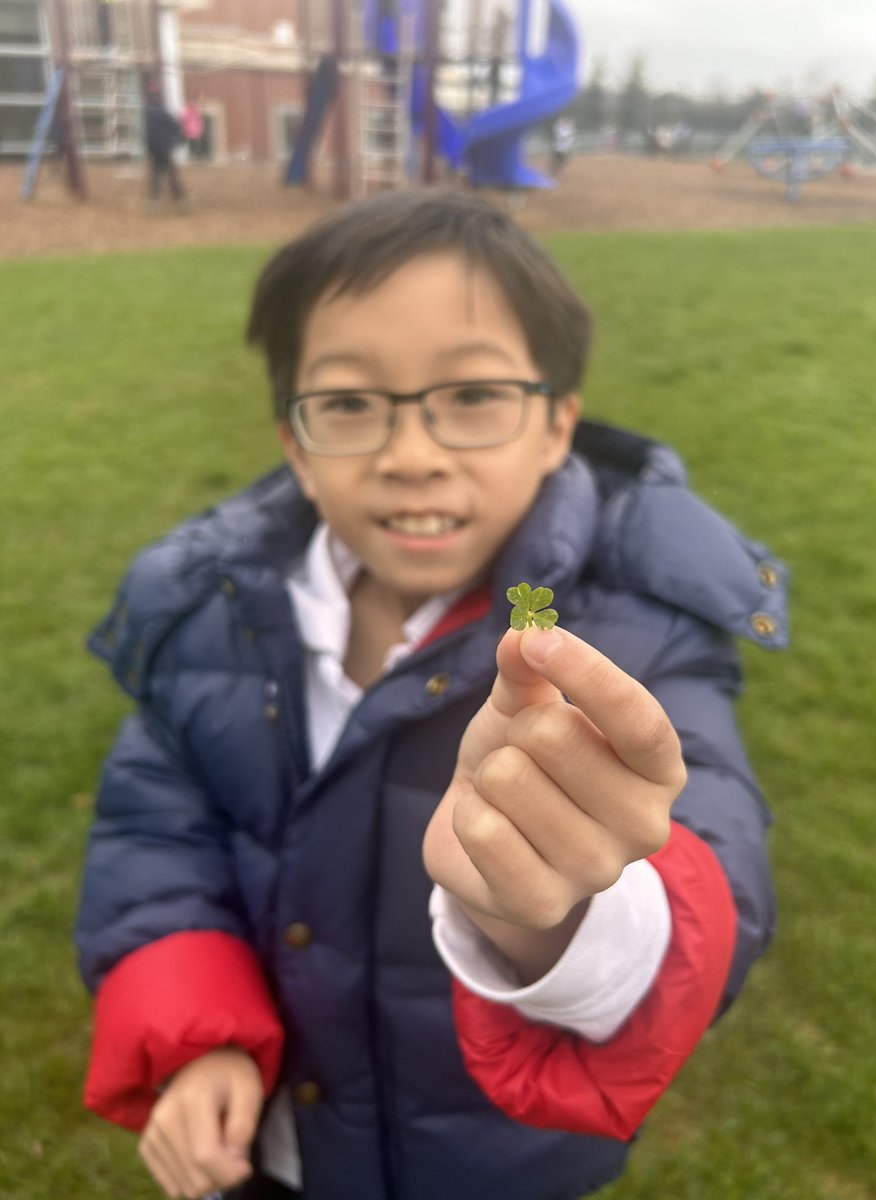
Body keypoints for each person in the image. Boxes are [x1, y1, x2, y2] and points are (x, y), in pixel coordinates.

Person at [74, 189, 787, 1200]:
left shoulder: (634, 632)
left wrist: (562, 915)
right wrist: (193, 1025)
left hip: (490, 1163)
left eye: (473, 397)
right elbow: (156, 830)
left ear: (556, 428)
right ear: (295, 445)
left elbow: (711, 868)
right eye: (351, 405)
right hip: (268, 1143)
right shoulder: (214, 617)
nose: (412, 455)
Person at [144, 82, 189, 213]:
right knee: (171, 175)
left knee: (157, 176)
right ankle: (182, 202)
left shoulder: (151, 113)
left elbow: (150, 135)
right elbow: (176, 128)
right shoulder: (163, 112)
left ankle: (155, 204)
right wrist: (176, 142)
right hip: (164, 148)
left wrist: (150, 150)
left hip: (158, 149)